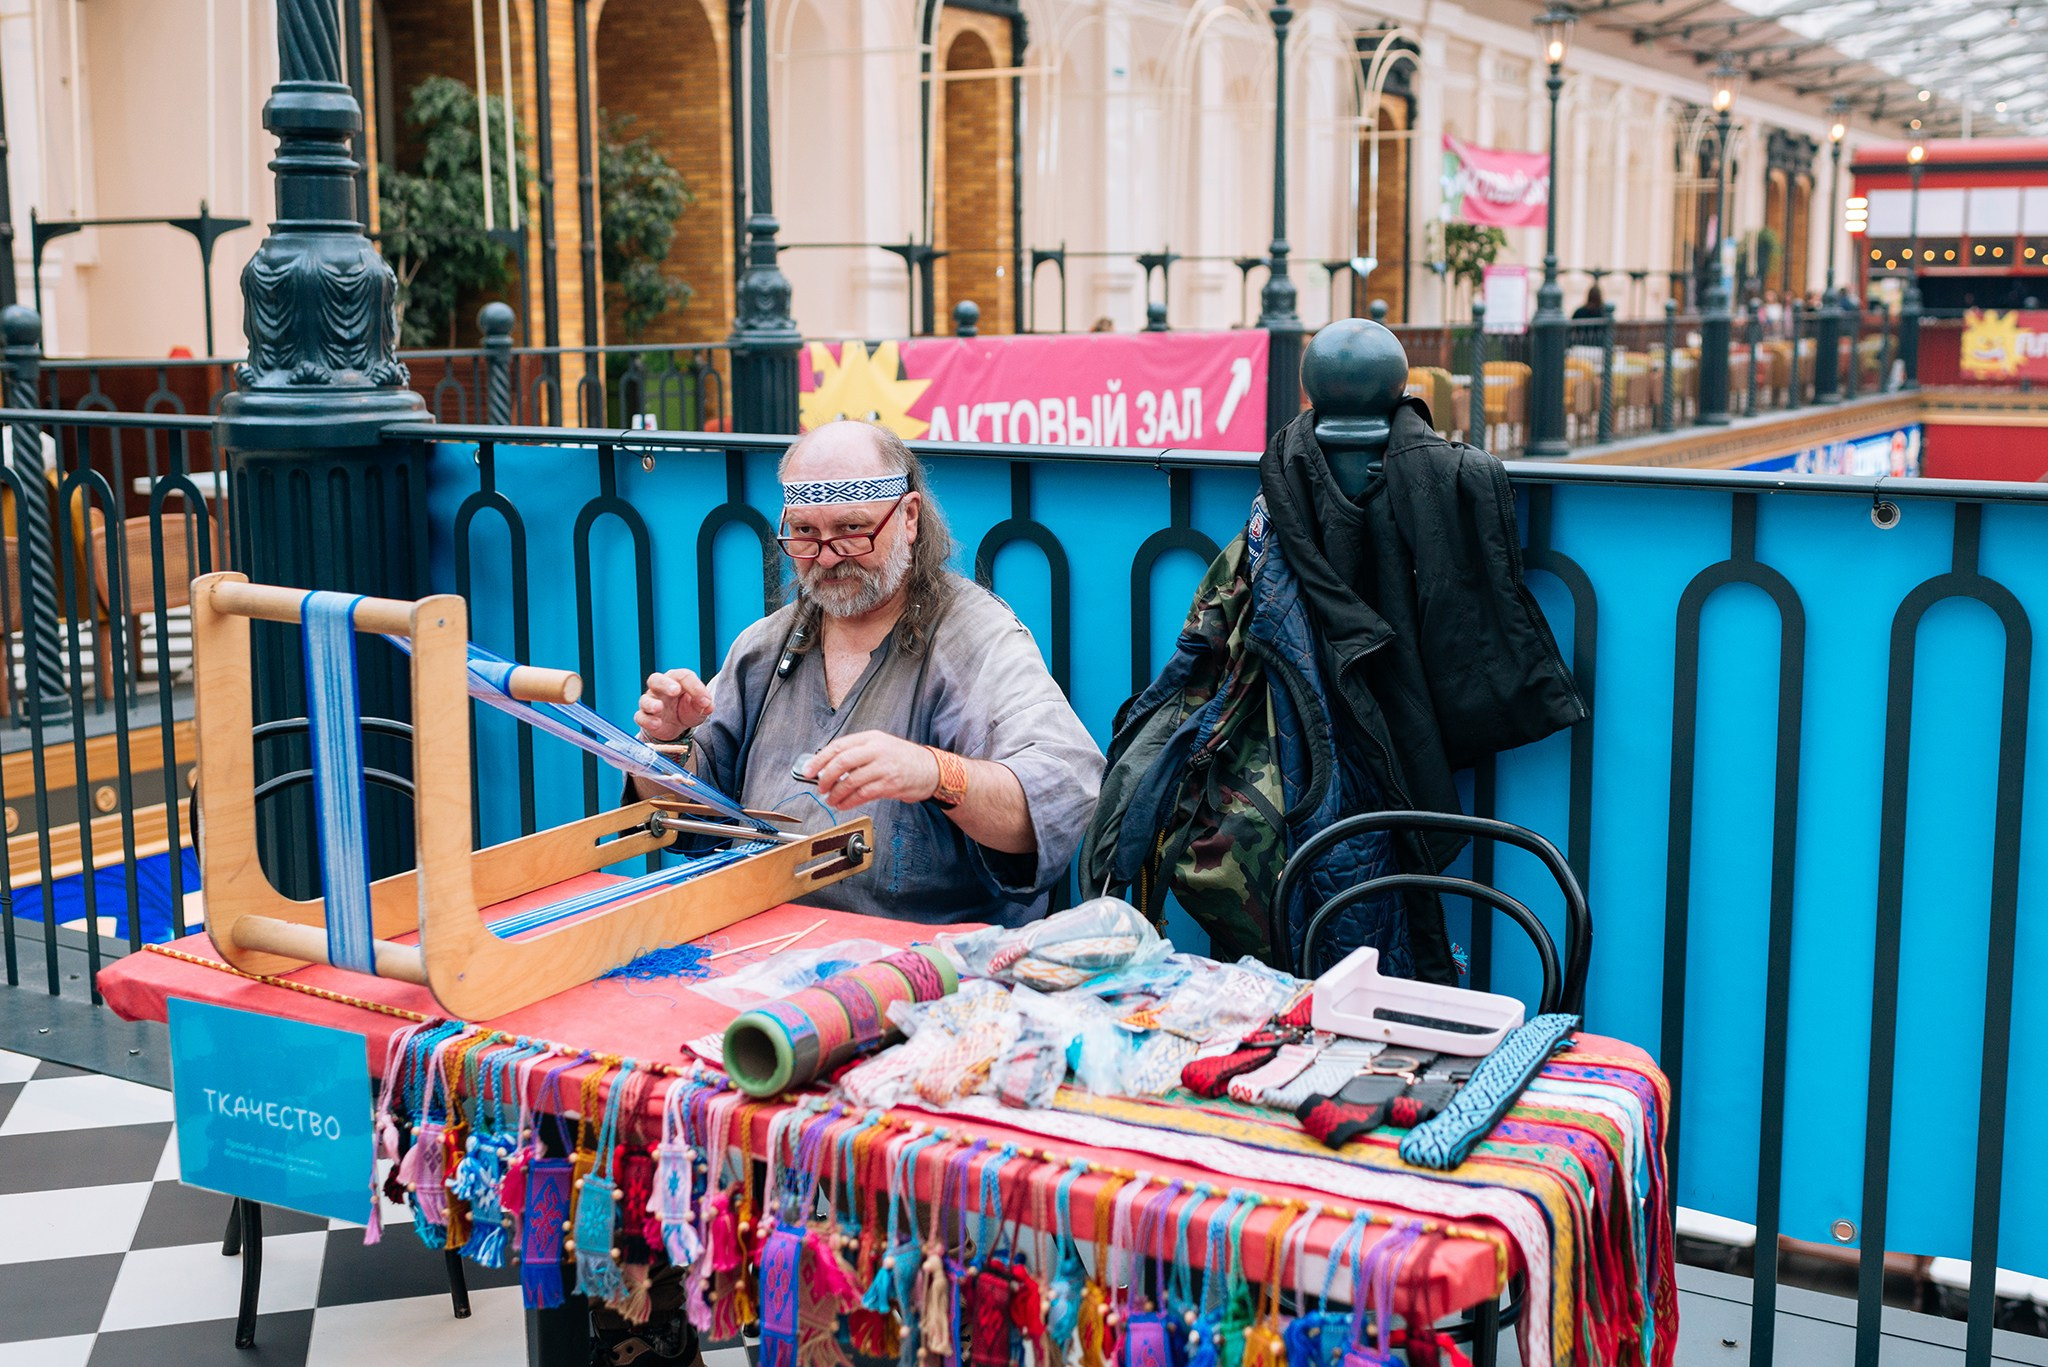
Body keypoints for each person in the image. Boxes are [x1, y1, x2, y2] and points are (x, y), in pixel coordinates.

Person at [630, 419, 1103, 927]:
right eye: (806, 534)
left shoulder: (976, 637)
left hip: (923, 965)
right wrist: (663, 746)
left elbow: (1060, 791)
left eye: (852, 530)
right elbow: (683, 817)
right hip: (765, 946)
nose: (828, 556)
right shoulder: (767, 644)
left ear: (909, 518)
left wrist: (935, 773)